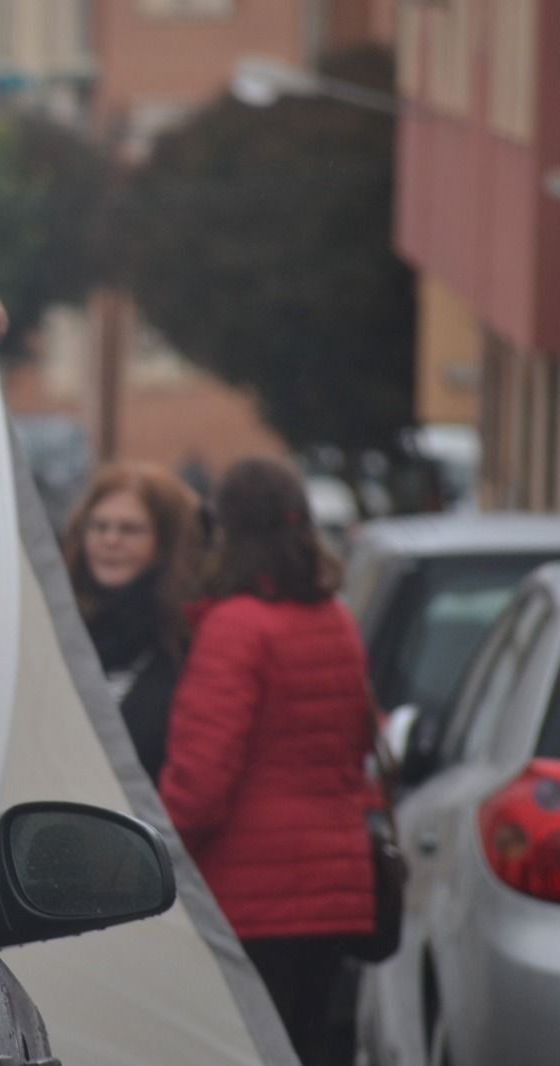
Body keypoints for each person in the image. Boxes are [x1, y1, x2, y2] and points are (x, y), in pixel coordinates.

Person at [157, 456, 375, 1066]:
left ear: (225, 530)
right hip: (336, 890)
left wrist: (158, 860)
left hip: (250, 895)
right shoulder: (335, 619)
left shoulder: (234, 629)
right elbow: (356, 748)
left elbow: (200, 784)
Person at [64, 463, 203, 778]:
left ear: (166, 543)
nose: (110, 540)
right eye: (98, 526)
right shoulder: (63, 628)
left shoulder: (187, 636)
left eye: (130, 529)